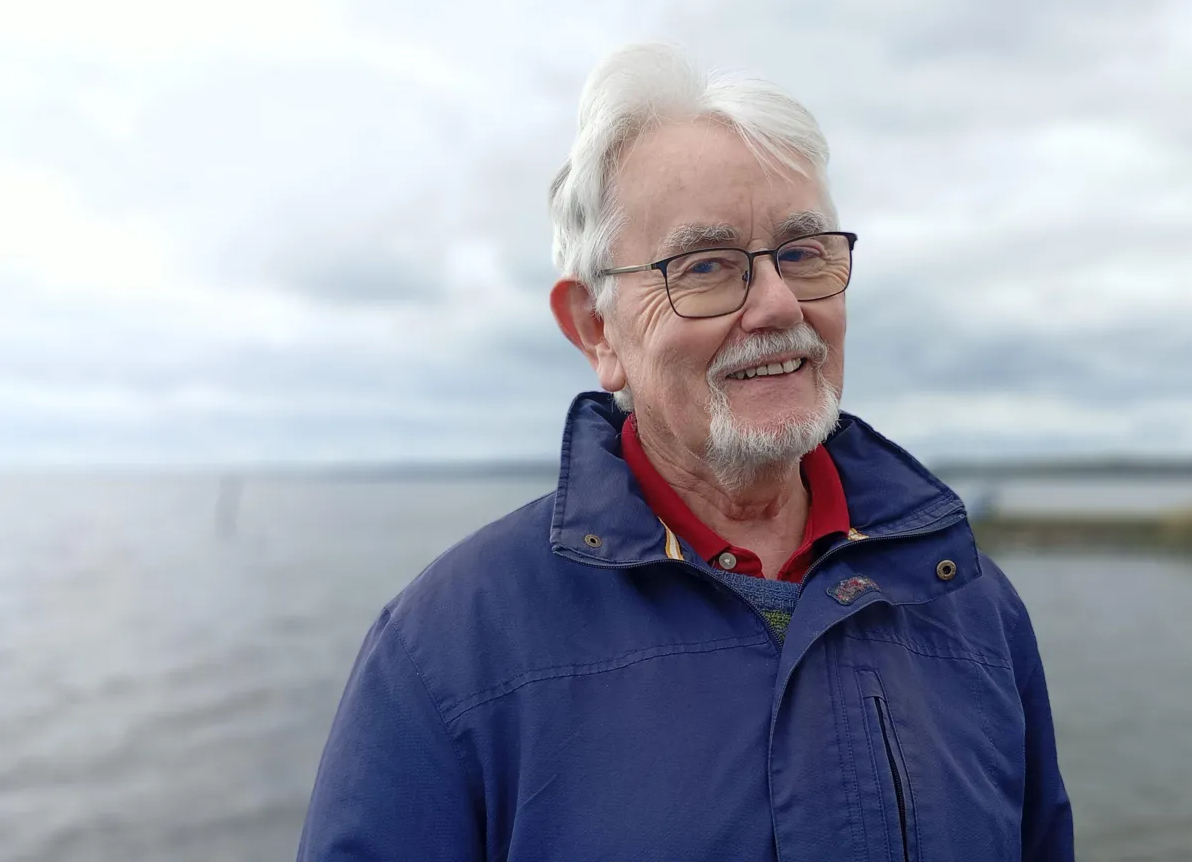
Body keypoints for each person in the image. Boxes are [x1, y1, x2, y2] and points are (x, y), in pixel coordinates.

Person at [297, 43, 1073, 861]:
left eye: (803, 253)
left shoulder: (973, 607)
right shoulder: (450, 651)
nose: (778, 305)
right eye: (705, 266)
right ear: (597, 331)